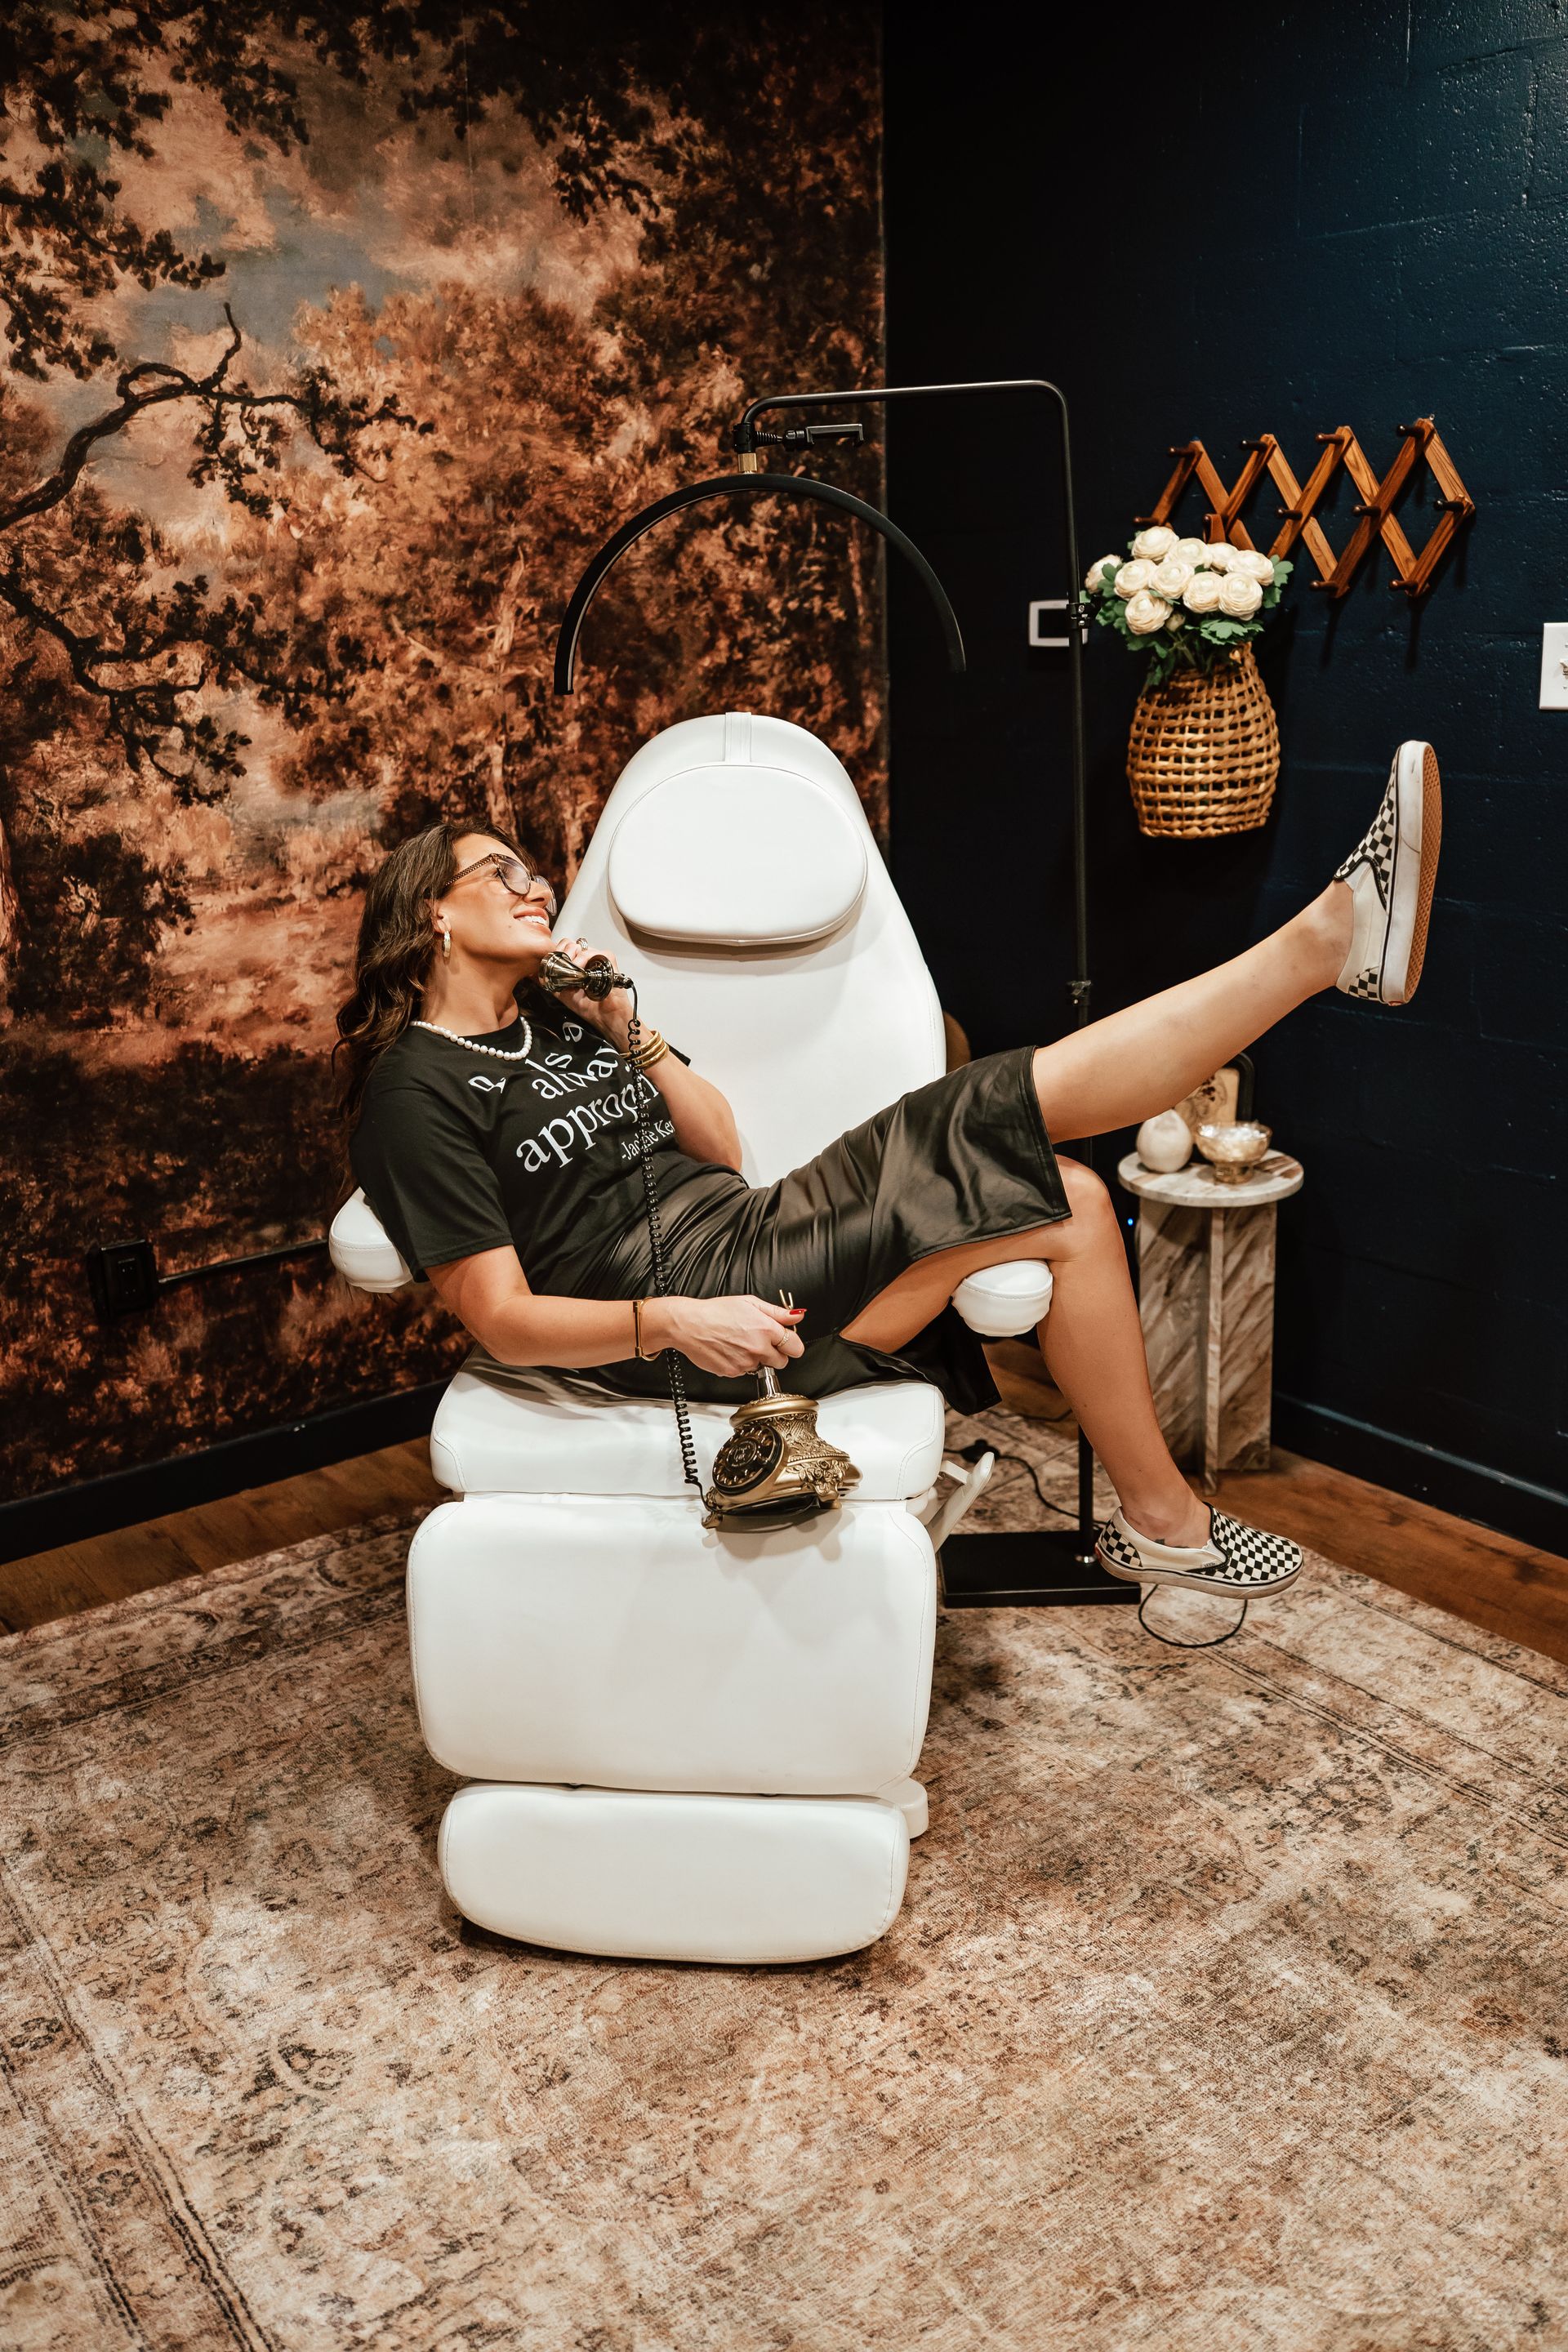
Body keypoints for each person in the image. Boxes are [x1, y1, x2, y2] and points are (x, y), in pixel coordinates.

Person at [337, 742, 1441, 1604]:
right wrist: (675, 1321)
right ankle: (1322, 943)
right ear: (432, 910)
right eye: (502, 875)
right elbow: (502, 1319)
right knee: (985, 1109)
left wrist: (628, 1029)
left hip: (750, 1227)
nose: (536, 889)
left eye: (534, 873)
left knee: (1072, 1201)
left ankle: (1163, 1524)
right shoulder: (413, 1088)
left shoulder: (565, 1023)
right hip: (694, 1316)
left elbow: (717, 1147)